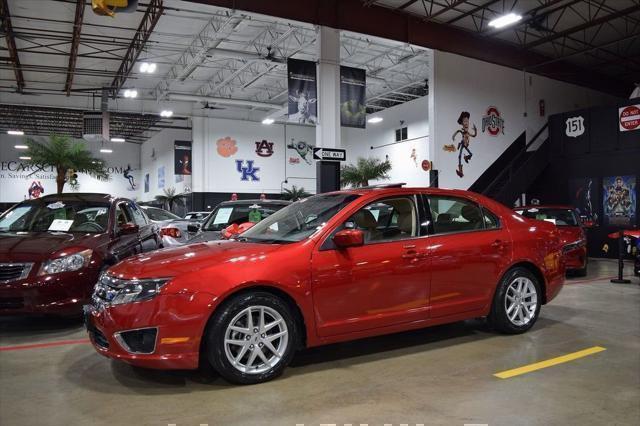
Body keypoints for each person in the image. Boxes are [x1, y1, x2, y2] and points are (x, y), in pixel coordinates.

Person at [452, 111, 477, 178]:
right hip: (463, 144)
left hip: (465, 145)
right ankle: (461, 171)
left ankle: (466, 157)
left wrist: (475, 130)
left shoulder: (467, 132)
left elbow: (474, 135)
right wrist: (453, 136)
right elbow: (458, 132)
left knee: (471, 154)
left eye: (467, 121)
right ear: (462, 123)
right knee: (459, 156)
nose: (466, 123)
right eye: (464, 121)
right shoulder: (463, 131)